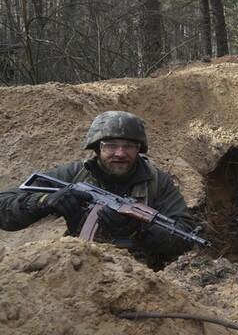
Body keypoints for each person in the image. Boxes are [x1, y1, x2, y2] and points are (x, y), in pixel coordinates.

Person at [0, 111, 197, 270]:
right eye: (110, 146)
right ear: (97, 147)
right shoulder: (75, 174)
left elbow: (184, 238)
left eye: (128, 146)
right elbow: (4, 207)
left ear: (139, 148)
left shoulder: (157, 182)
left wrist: (137, 230)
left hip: (138, 276)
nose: (120, 153)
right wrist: (44, 201)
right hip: (76, 266)